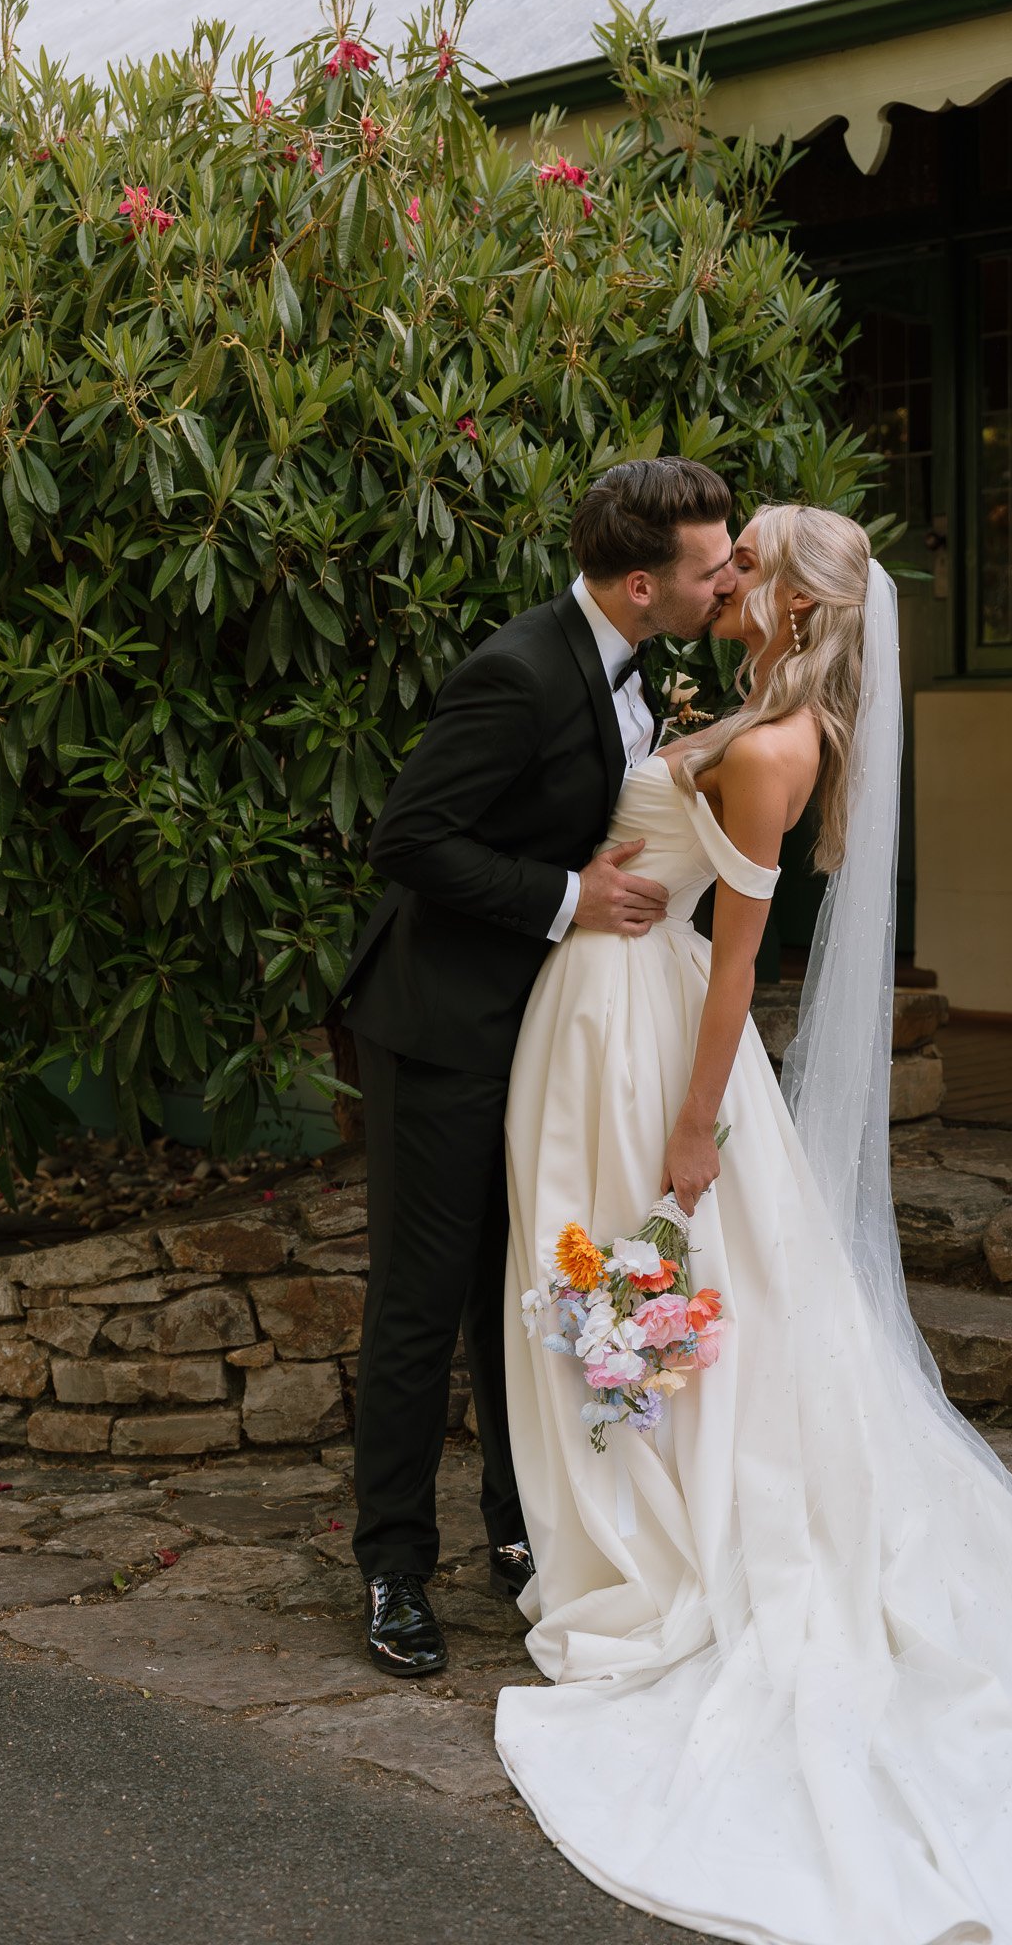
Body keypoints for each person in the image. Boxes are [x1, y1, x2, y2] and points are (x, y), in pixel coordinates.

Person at [496, 502, 1012, 1945]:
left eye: (748, 555)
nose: (727, 570)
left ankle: (656, 1541)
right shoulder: (748, 705)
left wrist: (695, 1126)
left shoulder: (769, 745)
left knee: (645, 1292)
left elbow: (738, 961)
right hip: (604, 1015)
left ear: (801, 606)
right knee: (630, 1296)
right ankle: (630, 1519)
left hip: (661, 1045)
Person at [328, 457, 737, 1676]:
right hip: (446, 1025)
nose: (725, 583)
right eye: (709, 569)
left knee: (522, 1281)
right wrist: (567, 895)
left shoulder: (651, 660)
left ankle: (522, 1528)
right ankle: (395, 1564)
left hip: (553, 1029)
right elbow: (409, 835)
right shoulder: (514, 670)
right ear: (637, 582)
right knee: (421, 1296)